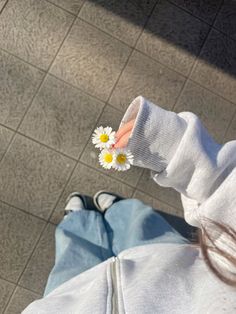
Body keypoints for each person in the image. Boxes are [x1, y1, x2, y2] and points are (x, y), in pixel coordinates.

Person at [23, 96, 236, 313]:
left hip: (68, 300)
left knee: (72, 248)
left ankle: (78, 220)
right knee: (139, 223)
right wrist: (178, 150)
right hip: (163, 262)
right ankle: (117, 209)